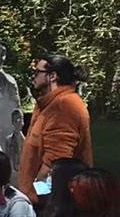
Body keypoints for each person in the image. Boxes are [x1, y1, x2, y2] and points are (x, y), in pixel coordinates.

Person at [17, 53, 93, 201]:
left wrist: (36, 196)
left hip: (53, 205)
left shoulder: (65, 106)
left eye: (37, 72)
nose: (33, 76)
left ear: (52, 76)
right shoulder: (49, 103)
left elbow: (56, 163)